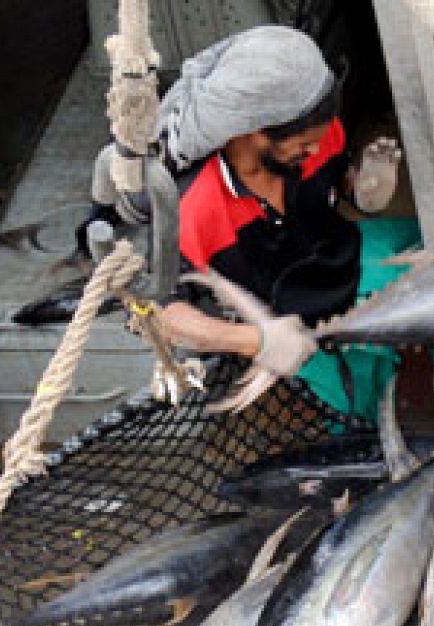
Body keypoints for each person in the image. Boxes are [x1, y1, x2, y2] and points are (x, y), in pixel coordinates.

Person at [148, 24, 414, 421]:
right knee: (370, 406)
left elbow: (333, 183)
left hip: (346, 257)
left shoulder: (321, 137)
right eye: (303, 145)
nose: (314, 151)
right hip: (288, 319)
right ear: (255, 133)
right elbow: (162, 316)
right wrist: (256, 340)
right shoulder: (192, 207)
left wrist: (362, 191)